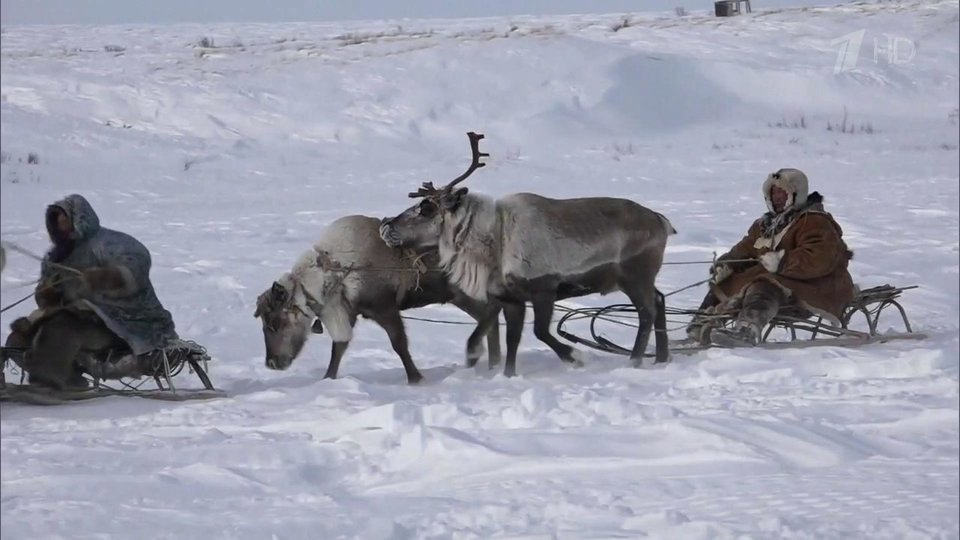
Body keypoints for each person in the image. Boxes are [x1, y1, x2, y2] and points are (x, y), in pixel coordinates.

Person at [4, 194, 179, 389]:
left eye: (65, 218)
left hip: (125, 325)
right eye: (57, 220)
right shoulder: (55, 257)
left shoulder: (109, 243)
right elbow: (45, 296)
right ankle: (69, 380)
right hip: (74, 318)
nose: (61, 224)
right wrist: (48, 294)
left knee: (61, 328)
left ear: (80, 219)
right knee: (17, 340)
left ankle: (47, 385)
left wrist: (105, 277)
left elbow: (136, 266)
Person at [686, 168, 856, 347]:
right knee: (726, 281)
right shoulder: (764, 225)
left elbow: (820, 258)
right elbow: (746, 248)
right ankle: (701, 326)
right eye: (773, 192)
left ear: (796, 194)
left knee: (765, 285)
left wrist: (782, 262)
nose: (777, 197)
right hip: (782, 279)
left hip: (814, 287)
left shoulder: (814, 221)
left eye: (782, 192)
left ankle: (746, 330)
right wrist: (727, 264)